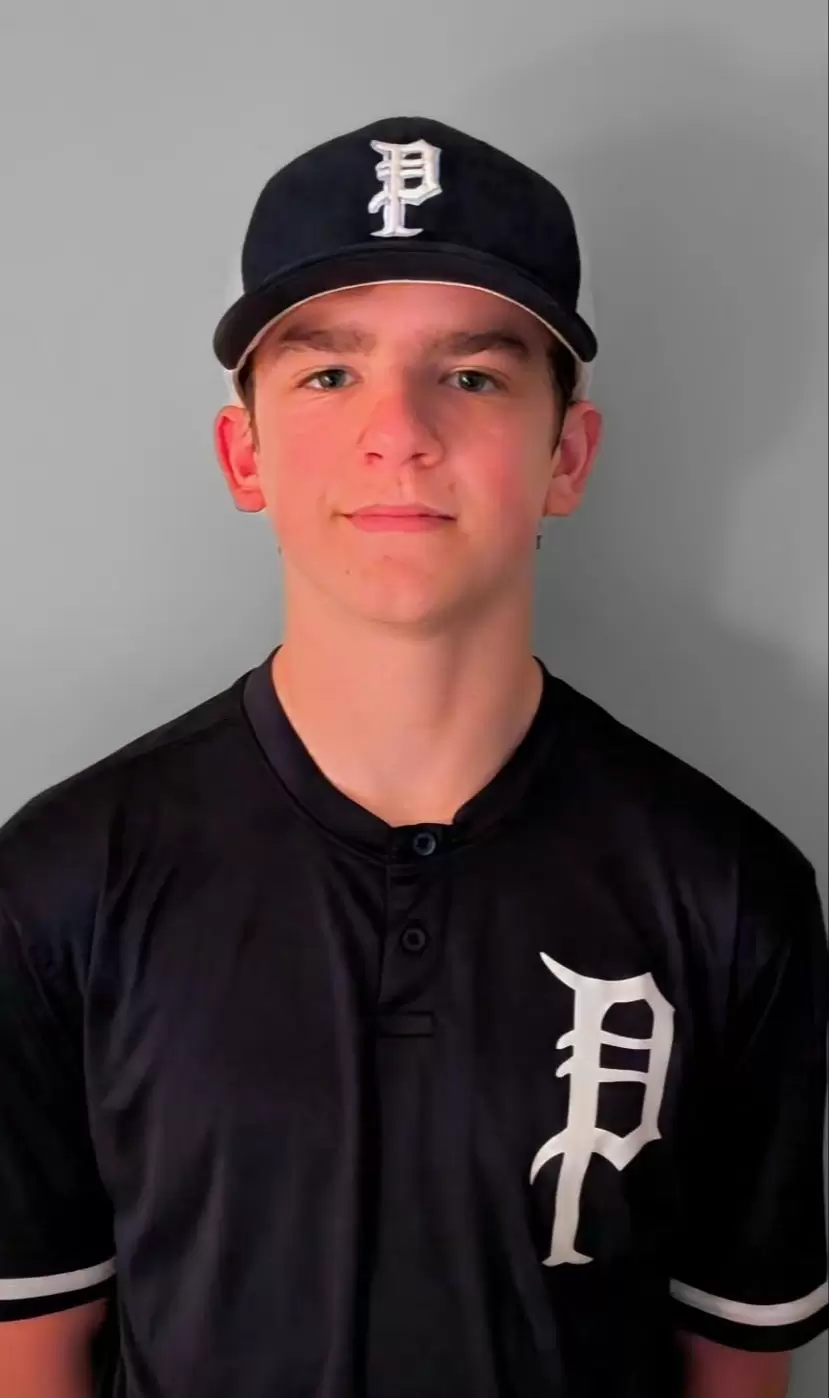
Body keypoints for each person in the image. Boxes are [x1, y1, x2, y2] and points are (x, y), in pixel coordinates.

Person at [0, 115, 826, 1398]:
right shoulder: (60, 881)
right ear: (243, 455)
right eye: (330, 375)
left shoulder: (727, 889)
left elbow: (736, 1368)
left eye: (474, 377)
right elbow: (33, 1349)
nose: (399, 432)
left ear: (566, 457)